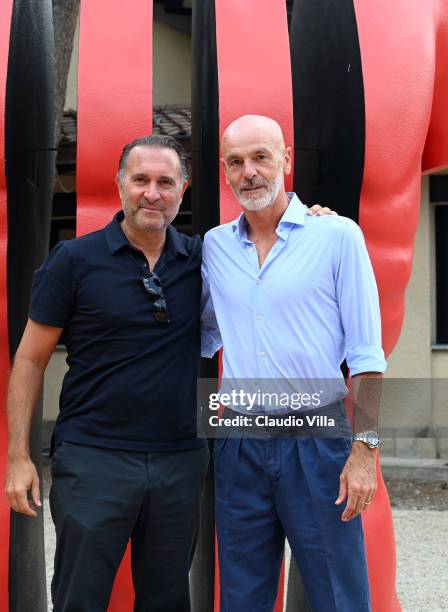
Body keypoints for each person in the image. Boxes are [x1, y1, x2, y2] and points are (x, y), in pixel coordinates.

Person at [4, 135, 210, 612]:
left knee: (167, 600)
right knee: (80, 598)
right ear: (120, 185)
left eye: (165, 182)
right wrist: (18, 457)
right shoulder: (74, 261)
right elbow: (29, 360)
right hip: (93, 458)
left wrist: (315, 220)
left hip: (180, 460)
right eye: (140, 180)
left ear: (183, 188)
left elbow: (269, 244)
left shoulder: (206, 259)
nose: (152, 193)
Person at [201, 115, 386, 611]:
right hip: (239, 442)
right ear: (225, 172)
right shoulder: (214, 249)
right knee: (242, 595)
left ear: (286, 160)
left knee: (338, 592)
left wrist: (364, 450)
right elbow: (199, 334)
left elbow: (366, 355)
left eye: (261, 156)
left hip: (317, 441)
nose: (250, 172)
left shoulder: (338, 237)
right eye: (236, 162)